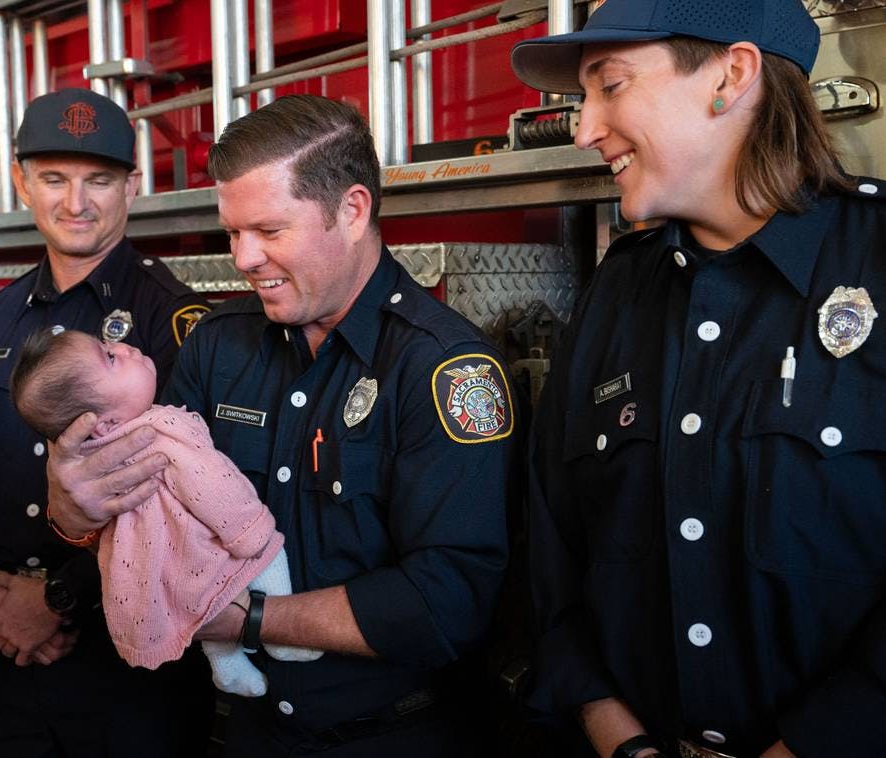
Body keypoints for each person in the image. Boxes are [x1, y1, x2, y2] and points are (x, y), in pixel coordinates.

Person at [44, 93, 518, 756]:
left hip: (394, 737)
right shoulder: (218, 345)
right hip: (248, 733)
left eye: (269, 231)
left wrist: (248, 620)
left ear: (352, 210)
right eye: (233, 233)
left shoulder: (442, 369)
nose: (243, 257)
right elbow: (148, 511)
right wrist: (73, 511)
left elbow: (449, 600)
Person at [511, 1, 886, 756]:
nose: (584, 129)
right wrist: (616, 733)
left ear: (732, 76)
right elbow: (551, 554)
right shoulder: (614, 294)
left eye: (609, 85)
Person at [0, 87, 214, 758]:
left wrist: (55, 599)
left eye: (99, 180)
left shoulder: (176, 322)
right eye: (54, 178)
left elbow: (184, 497)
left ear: (132, 187)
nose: (75, 202)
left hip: (131, 664)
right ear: (22, 182)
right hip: (4, 657)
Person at [10, 327, 321, 696]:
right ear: (103, 424)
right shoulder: (163, 430)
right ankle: (284, 639)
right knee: (269, 555)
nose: (123, 348)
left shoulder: (92, 458)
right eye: (109, 357)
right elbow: (210, 483)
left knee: (206, 610)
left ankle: (226, 664)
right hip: (204, 546)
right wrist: (251, 529)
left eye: (110, 345)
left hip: (157, 572)